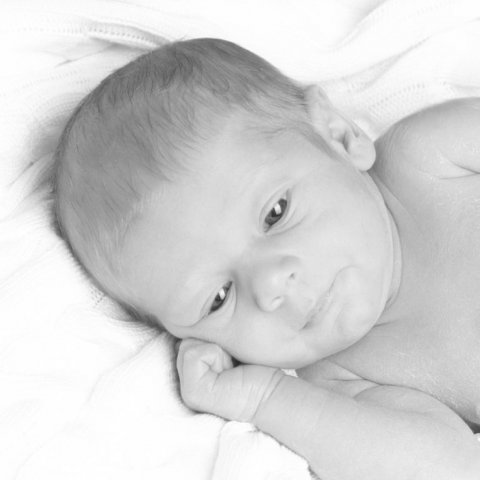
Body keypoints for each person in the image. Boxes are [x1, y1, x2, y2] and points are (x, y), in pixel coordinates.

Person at [53, 38, 480, 479]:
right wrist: (262, 398)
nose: (270, 285)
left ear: (337, 135)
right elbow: (449, 466)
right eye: (218, 298)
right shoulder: (340, 380)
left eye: (276, 213)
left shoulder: (430, 156)